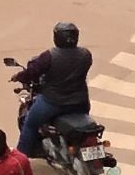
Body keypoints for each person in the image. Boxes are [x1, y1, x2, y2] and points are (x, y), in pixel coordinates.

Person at [16, 21, 93, 159]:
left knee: (30, 123)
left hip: (53, 103)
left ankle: (20, 160)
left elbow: (32, 72)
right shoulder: (86, 55)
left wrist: (19, 76)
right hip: (80, 102)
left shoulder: (49, 56)